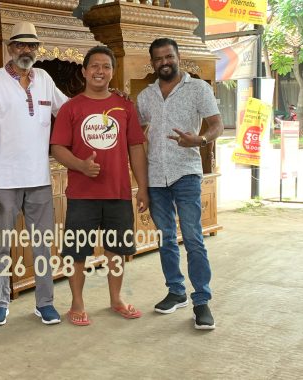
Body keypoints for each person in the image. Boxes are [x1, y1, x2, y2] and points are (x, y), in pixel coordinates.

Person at [0, 21, 68, 326]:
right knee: (0, 243)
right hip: (3, 180)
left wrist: (105, 101)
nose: (27, 51)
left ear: (37, 50)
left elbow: (68, 112)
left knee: (42, 243)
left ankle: (45, 303)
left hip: (39, 178)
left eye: (32, 46)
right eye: (21, 45)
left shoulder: (45, 80)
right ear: (10, 49)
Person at [50, 46, 148, 326]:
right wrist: (80, 165)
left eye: (106, 66)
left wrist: (142, 187)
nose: (99, 71)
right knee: (76, 251)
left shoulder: (124, 106)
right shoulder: (71, 107)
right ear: (84, 71)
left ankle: (116, 299)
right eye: (94, 66)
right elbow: (58, 147)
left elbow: (136, 148)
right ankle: (77, 303)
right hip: (82, 194)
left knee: (116, 250)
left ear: (112, 72)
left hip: (117, 192)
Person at [136, 38, 223, 330]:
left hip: (185, 172)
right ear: (152, 63)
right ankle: (176, 291)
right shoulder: (145, 96)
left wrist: (198, 140)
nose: (164, 62)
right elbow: (135, 133)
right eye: (158, 58)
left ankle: (201, 300)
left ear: (178, 57)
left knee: (193, 238)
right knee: (166, 239)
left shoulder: (198, 88)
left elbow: (216, 125)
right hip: (156, 176)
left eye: (169, 56)